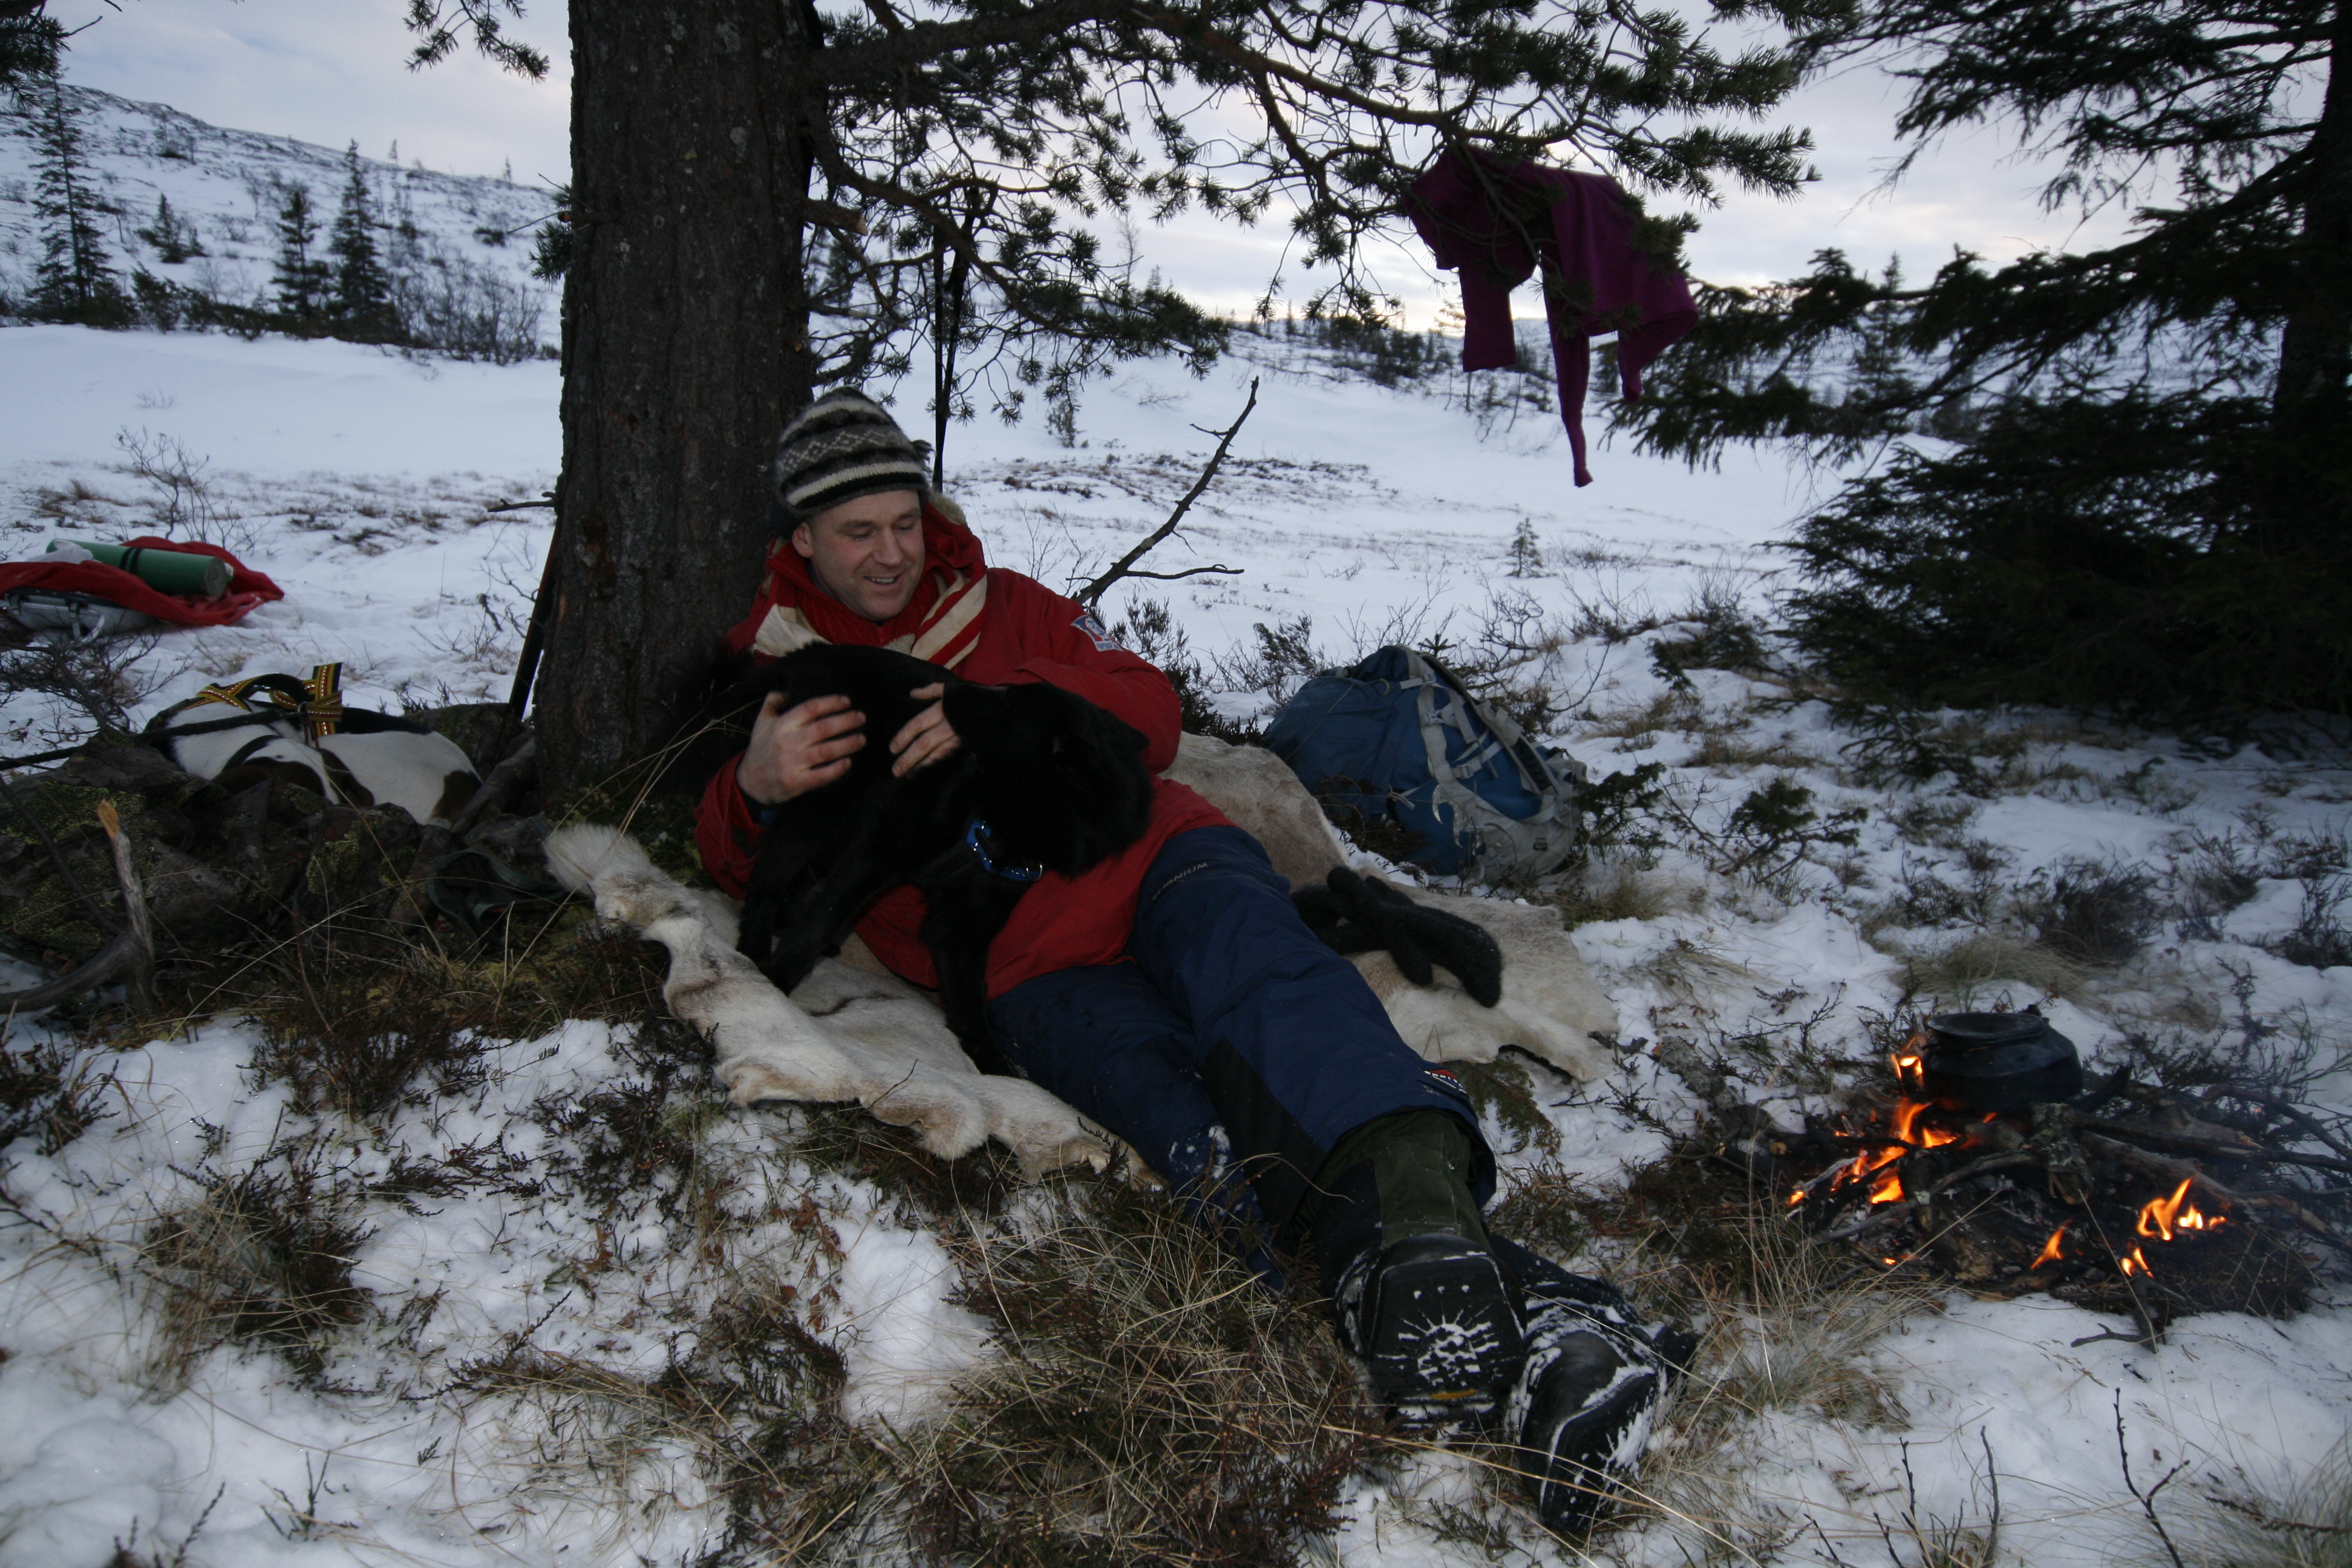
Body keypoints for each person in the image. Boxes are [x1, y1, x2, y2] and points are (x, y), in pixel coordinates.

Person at [696, 390, 1681, 1529]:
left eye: (904, 522)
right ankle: (1544, 1315)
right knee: (1185, 1121)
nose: (889, 553)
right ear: (803, 538)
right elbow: (744, 862)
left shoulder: (1010, 610)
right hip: (1019, 962)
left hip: (1163, 858)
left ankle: (1429, 1263)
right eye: (856, 531)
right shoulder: (784, 669)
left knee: (1280, 1001)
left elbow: (1149, 709)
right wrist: (754, 785)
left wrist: (1009, 713)